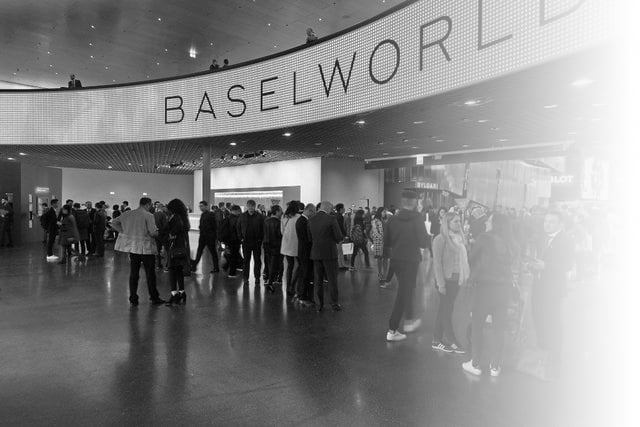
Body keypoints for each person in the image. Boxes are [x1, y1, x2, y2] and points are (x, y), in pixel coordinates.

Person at [463, 213, 517, 377]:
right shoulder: (511, 241)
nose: (486, 222)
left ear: (495, 223)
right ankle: (495, 366)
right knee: (499, 328)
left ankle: (475, 364)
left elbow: (470, 259)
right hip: (504, 290)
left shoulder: (484, 238)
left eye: (489, 220)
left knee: (477, 325)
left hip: (485, 288)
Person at [529, 211, 574, 378]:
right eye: (545, 221)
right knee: (537, 316)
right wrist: (533, 266)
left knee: (553, 321)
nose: (547, 224)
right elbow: (541, 259)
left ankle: (554, 356)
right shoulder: (543, 238)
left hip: (553, 288)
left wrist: (546, 266)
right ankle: (543, 349)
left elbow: (567, 265)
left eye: (551, 222)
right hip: (539, 285)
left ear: (560, 224)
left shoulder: (565, 240)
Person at [384, 191, 429, 342]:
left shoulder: (393, 219)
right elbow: (423, 242)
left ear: (403, 201)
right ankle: (392, 329)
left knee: (406, 288)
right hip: (411, 260)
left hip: (396, 259)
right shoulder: (417, 218)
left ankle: (409, 321)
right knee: (404, 292)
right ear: (415, 202)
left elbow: (387, 241)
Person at [111, 197, 165, 306]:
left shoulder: (128, 214)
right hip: (146, 249)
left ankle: (133, 297)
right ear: (148, 204)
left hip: (133, 248)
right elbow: (153, 233)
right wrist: (159, 233)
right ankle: (154, 297)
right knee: (150, 274)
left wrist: (124, 232)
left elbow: (113, 223)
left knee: (134, 273)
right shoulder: (148, 215)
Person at [432, 212, 470, 354]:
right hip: (445, 281)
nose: (459, 223)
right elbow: (437, 263)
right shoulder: (440, 239)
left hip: (456, 280)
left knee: (444, 309)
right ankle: (451, 340)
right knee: (446, 311)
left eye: (459, 221)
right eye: (455, 221)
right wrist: (441, 284)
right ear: (447, 223)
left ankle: (436, 340)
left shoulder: (459, 239)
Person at [308, 201, 344, 312]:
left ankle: (319, 304)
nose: (332, 210)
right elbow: (338, 236)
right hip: (329, 253)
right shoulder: (331, 219)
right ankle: (334, 304)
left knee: (318, 280)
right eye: (331, 208)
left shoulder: (311, 219)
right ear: (328, 208)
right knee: (332, 279)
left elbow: (309, 238)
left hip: (316, 253)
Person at [165, 199, 191, 305]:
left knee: (172, 270)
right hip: (182, 248)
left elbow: (171, 233)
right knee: (179, 270)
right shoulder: (184, 218)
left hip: (174, 247)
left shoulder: (175, 218)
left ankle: (174, 294)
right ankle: (182, 292)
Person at [237, 200, 264, 287]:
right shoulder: (242, 216)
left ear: (255, 206)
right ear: (247, 206)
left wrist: (261, 239)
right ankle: (245, 278)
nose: (251, 208)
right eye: (249, 206)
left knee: (257, 260)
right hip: (246, 242)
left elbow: (263, 228)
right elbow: (238, 227)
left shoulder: (260, 216)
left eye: (252, 206)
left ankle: (257, 277)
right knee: (246, 261)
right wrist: (241, 238)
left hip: (257, 242)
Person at [294, 203, 316, 306]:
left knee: (304, 273)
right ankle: (302, 296)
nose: (314, 214)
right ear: (309, 211)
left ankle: (300, 294)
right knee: (305, 274)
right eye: (313, 212)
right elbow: (306, 239)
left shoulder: (302, 220)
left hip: (303, 251)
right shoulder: (302, 221)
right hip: (305, 251)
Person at [280, 201, 301, 298]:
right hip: (296, 244)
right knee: (299, 265)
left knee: (289, 266)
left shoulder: (284, 217)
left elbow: (282, 231)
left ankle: (288, 286)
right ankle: (293, 285)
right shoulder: (299, 217)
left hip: (286, 244)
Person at [191, 201, 219, 273]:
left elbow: (214, 226)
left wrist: (214, 236)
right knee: (199, 251)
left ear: (206, 206)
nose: (200, 207)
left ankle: (216, 267)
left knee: (213, 252)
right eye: (200, 206)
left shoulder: (211, 215)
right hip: (203, 236)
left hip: (209, 237)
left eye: (202, 206)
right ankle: (194, 266)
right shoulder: (203, 214)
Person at [264, 205, 283, 293]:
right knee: (275, 264)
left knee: (269, 263)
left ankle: (269, 279)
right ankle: (271, 282)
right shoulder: (279, 222)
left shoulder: (266, 221)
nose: (282, 212)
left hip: (267, 245)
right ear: (277, 211)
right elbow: (279, 234)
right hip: (276, 246)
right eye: (280, 211)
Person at [219, 205, 242, 278]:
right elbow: (237, 230)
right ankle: (232, 273)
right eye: (239, 211)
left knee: (232, 254)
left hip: (228, 240)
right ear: (236, 211)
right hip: (234, 240)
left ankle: (227, 267)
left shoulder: (227, 218)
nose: (240, 212)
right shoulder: (236, 219)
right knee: (234, 256)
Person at [371, 207, 386, 282]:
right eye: (383, 211)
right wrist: (382, 238)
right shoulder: (375, 221)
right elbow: (375, 232)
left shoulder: (383, 220)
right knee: (380, 258)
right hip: (379, 241)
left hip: (385, 241)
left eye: (385, 212)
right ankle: (380, 273)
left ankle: (384, 273)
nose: (384, 213)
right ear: (380, 212)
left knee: (385, 258)